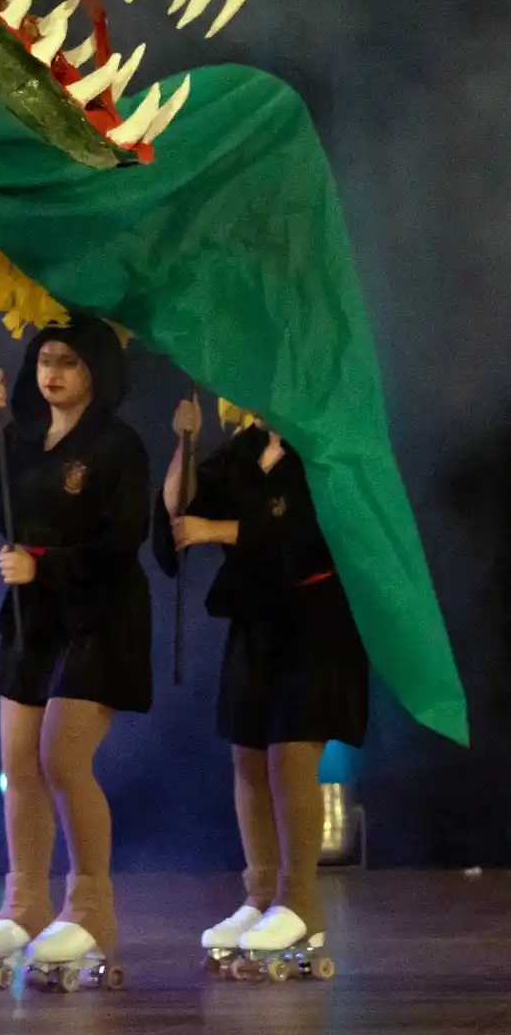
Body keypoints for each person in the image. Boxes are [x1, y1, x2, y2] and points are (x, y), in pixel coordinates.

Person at [0, 317, 150, 982]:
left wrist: (45, 568)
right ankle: (24, 902)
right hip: (32, 618)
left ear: (95, 373)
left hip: (99, 612)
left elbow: (123, 543)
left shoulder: (118, 446)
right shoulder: (21, 439)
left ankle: (91, 905)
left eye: (68, 362)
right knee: (17, 762)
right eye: (45, 361)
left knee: (62, 757)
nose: (52, 373)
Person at [154, 396, 368, 970]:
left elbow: (302, 532)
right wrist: (185, 444)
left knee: (290, 757)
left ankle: (301, 903)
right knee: (247, 758)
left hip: (315, 620)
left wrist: (215, 529)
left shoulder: (324, 449)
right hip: (257, 625)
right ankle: (261, 896)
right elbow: (179, 512)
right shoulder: (242, 452)